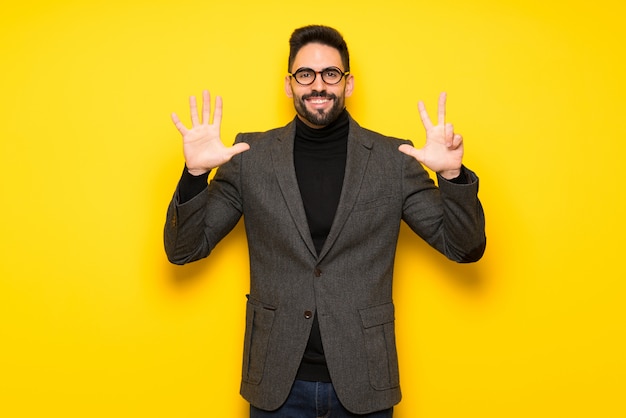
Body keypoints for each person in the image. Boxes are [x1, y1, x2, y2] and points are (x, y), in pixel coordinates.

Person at [165, 25, 486, 417]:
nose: (318, 85)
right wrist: (195, 175)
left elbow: (465, 247)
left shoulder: (394, 160)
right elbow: (183, 249)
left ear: (348, 84)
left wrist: (452, 177)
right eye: (306, 74)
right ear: (289, 84)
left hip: (364, 379)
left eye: (330, 74)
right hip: (276, 381)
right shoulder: (250, 157)